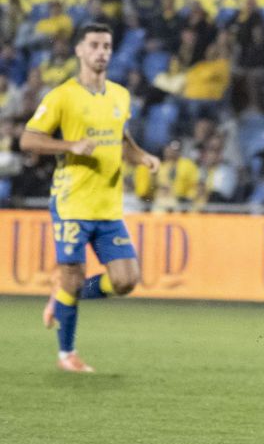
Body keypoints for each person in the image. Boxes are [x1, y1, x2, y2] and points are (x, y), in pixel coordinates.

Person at [19, 23, 159, 372]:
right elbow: (29, 139)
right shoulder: (62, 96)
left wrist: (141, 156)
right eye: (94, 45)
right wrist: (70, 145)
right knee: (73, 273)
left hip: (108, 205)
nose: (102, 52)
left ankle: (61, 297)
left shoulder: (120, 95)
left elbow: (120, 137)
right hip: (72, 203)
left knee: (126, 281)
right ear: (79, 51)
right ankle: (67, 353)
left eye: (107, 46)